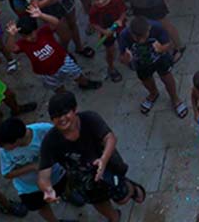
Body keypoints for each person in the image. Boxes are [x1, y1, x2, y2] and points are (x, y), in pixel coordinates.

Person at [38, 91, 147, 221]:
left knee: (122, 197)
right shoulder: (50, 141)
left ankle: (132, 188)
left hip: (108, 166)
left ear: (75, 110)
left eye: (65, 113)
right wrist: (47, 189)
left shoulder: (89, 118)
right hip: (83, 179)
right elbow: (43, 174)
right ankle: (114, 218)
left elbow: (110, 138)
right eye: (56, 116)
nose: (61, 119)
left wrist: (103, 160)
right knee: (98, 201)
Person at [0, 118, 68, 222]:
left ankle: (68, 195)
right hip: (30, 188)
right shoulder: (4, 151)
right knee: (41, 206)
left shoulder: (44, 130)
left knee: (65, 186)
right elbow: (7, 174)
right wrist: (32, 167)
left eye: (6, 145)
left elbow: (65, 142)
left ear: (18, 139)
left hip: (56, 175)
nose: (3, 148)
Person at [117, 15, 189, 116]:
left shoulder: (157, 27)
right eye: (137, 38)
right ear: (131, 33)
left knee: (167, 77)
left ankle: (175, 98)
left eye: (144, 36)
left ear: (149, 29)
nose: (141, 41)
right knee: (146, 79)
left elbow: (168, 44)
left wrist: (161, 49)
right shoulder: (124, 35)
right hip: (140, 63)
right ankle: (153, 93)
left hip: (160, 59)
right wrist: (126, 59)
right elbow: (121, 57)